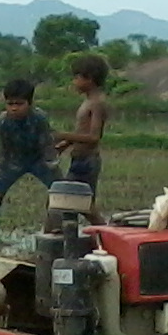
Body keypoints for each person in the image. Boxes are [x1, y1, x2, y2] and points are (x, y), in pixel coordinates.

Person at [0, 78, 59, 253]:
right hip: (13, 162)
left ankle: (58, 240)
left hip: (39, 161)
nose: (14, 108)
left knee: (63, 195)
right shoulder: (3, 122)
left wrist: (54, 173)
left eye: (19, 104)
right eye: (10, 103)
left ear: (30, 103)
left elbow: (47, 146)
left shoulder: (40, 118)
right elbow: (2, 152)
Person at [55, 53, 110, 215]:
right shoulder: (88, 101)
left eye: (77, 77)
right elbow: (82, 132)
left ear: (90, 78)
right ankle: (67, 236)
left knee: (76, 203)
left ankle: (104, 234)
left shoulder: (97, 103)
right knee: (74, 205)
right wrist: (64, 145)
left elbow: (94, 137)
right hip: (80, 160)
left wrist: (62, 135)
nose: (74, 82)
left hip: (87, 162)